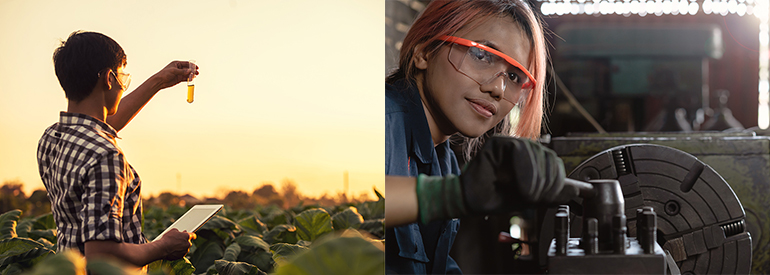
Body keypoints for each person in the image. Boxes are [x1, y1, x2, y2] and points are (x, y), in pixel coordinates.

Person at [384, 1, 579, 273]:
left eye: (514, 76)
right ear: (425, 52)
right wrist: (449, 195)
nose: (498, 89)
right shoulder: (382, 120)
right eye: (482, 55)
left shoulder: (443, 159)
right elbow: (341, 210)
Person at [37, 31, 198, 269]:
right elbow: (102, 255)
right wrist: (163, 246)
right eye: (122, 75)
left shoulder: (52, 136)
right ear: (109, 78)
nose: (123, 83)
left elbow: (98, 127)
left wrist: (159, 81)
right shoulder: (105, 156)